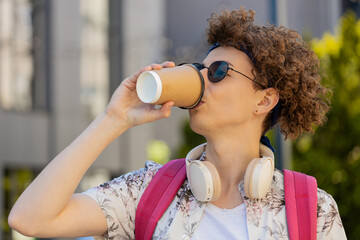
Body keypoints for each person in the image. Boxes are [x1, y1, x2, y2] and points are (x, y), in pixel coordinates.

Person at [8, 7, 346, 240]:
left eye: (217, 73)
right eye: (198, 69)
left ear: (264, 100)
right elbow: (30, 218)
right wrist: (113, 119)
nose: (200, 81)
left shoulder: (311, 207)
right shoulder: (150, 192)